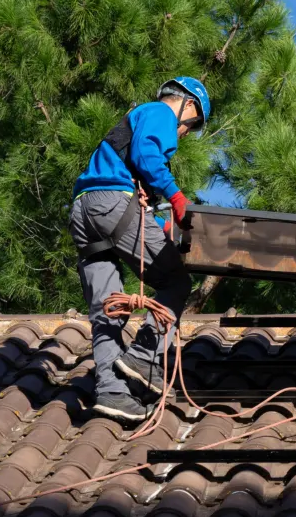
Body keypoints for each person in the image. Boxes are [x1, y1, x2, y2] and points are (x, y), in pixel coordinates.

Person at [69, 77, 210, 421]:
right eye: (190, 127)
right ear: (187, 105)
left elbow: (132, 171)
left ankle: (111, 392)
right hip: (114, 205)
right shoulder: (160, 112)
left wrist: (157, 221)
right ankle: (144, 356)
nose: (184, 134)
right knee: (176, 282)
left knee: (108, 308)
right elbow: (147, 152)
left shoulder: (134, 120)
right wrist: (177, 197)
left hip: (84, 211)